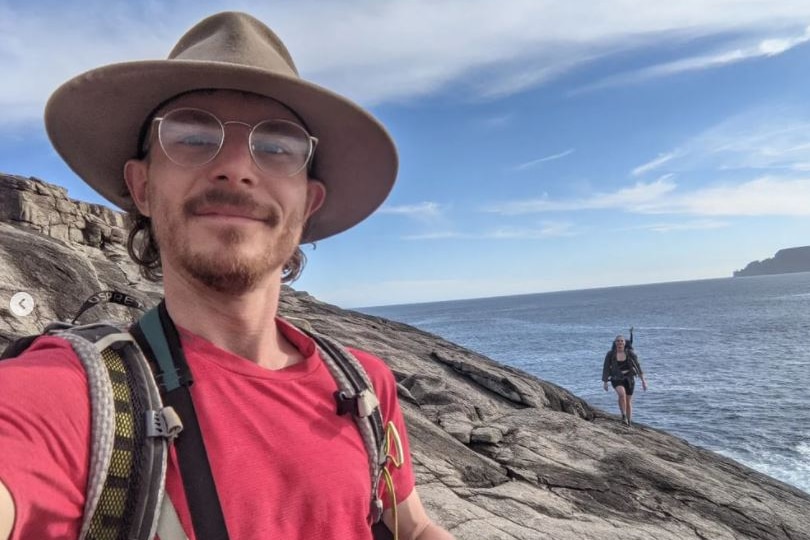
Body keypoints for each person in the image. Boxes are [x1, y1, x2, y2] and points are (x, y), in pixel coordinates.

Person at [0, 11, 454, 540]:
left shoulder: (364, 385)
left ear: (308, 203)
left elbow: (412, 527)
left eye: (277, 147)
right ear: (142, 186)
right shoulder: (74, 394)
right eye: (192, 137)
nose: (236, 166)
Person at [602, 334, 647, 426]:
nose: (620, 343)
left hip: (629, 378)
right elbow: (606, 368)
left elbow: (638, 367)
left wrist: (643, 381)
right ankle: (623, 416)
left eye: (621, 341)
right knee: (622, 395)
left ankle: (629, 422)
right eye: (618, 341)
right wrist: (605, 382)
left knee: (628, 401)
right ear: (615, 343)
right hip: (616, 378)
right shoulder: (610, 354)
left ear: (625, 343)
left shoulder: (630, 353)